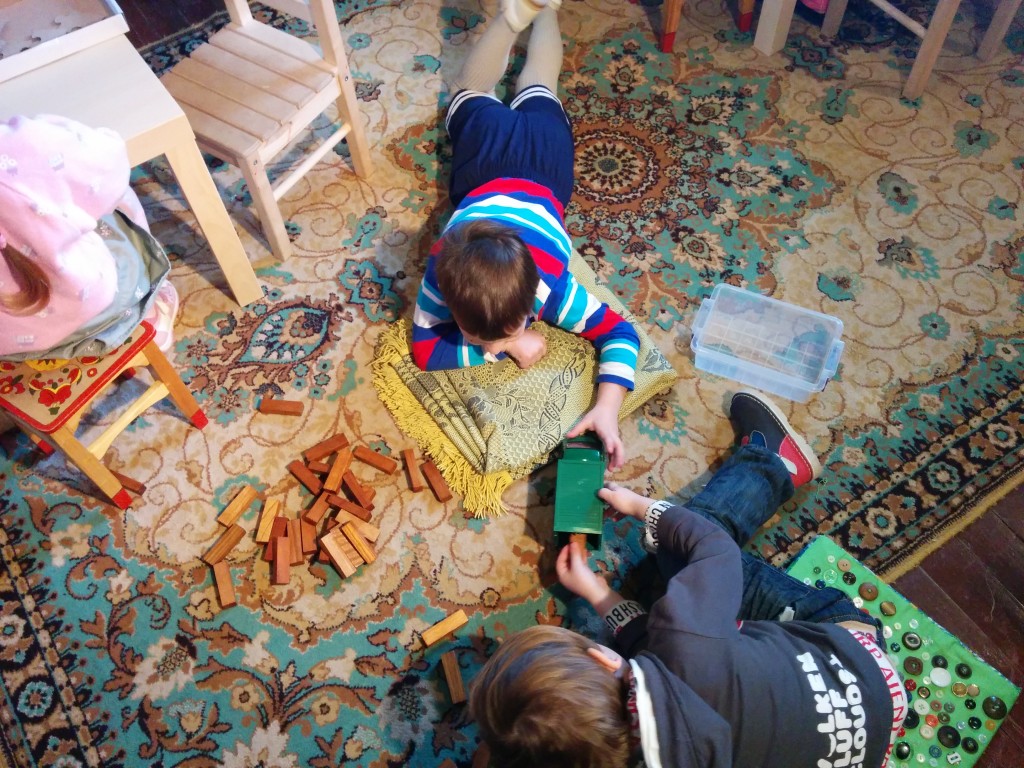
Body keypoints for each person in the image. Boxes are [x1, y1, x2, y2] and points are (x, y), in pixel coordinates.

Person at [469, 389, 908, 768]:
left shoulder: (680, 656)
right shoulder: (685, 638)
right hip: (855, 662)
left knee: (665, 609)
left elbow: (660, 661)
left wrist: (597, 592)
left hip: (859, 753)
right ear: (605, 660)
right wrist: (643, 508)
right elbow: (712, 549)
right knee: (677, 553)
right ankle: (773, 462)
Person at [411, 0, 640, 469]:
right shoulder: (442, 267)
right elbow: (423, 352)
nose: (492, 349)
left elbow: (621, 332)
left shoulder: (549, 289)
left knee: (482, 87)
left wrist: (607, 408)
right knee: (521, 86)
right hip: (530, 158)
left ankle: (522, 15)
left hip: (524, 164)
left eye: (496, 340)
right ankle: (543, 10)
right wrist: (511, 343)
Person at [0, 113, 177, 360]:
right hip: (97, 303)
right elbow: (109, 160)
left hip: (15, 344)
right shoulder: (14, 147)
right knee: (113, 200)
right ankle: (149, 314)